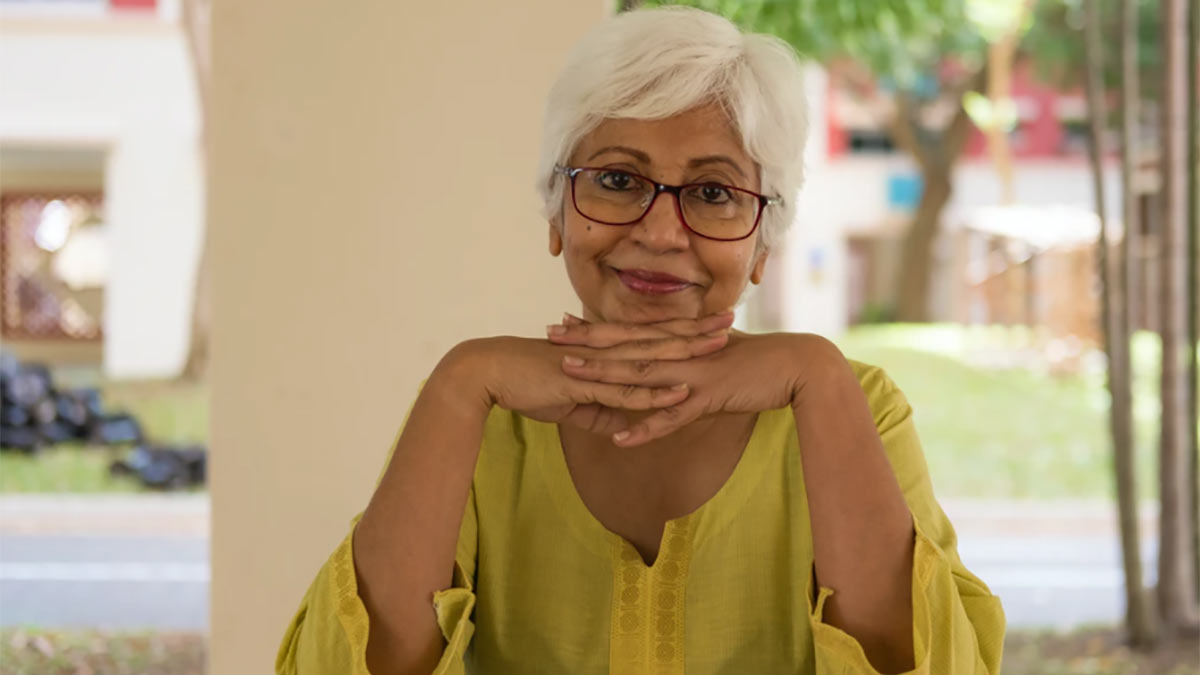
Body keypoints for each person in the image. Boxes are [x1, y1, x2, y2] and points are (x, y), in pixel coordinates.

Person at [276, 7, 1005, 675]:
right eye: (618, 178)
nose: (660, 232)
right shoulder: (482, 418)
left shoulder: (857, 406)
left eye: (714, 192)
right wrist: (460, 378)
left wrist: (816, 374)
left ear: (762, 244)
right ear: (556, 212)